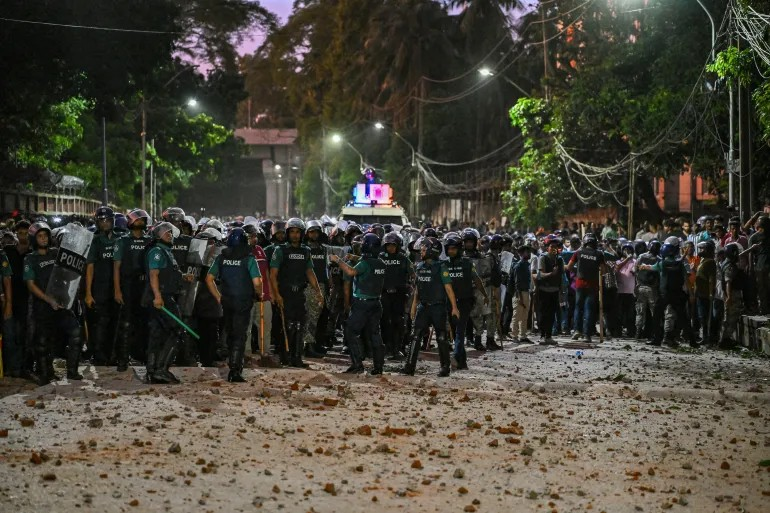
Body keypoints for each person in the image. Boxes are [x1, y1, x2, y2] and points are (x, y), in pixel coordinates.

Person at [23, 222, 84, 384]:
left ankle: (72, 371)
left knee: (76, 333)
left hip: (62, 304)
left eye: (46, 236)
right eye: (40, 236)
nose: (44, 239)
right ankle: (46, 373)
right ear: (34, 239)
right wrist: (48, 299)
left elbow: (69, 273)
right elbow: (30, 284)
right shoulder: (30, 259)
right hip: (43, 306)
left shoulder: (56, 253)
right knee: (43, 342)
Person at [205, 227, 262, 382]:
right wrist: (259, 294)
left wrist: (218, 297)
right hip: (243, 301)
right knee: (239, 335)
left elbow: (209, 278)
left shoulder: (222, 257)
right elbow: (257, 282)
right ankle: (235, 370)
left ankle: (232, 363)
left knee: (230, 333)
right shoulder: (249, 258)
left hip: (227, 300)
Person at [269, 218, 324, 368]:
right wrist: (276, 295)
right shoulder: (280, 250)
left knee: (300, 326)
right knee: (287, 326)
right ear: (288, 233)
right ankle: (284, 356)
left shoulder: (306, 251)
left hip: (300, 294)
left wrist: (318, 291)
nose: (295, 235)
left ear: (302, 234)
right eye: (292, 232)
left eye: (297, 232)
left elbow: (310, 272)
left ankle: (297, 357)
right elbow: (273, 275)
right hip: (285, 293)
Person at [401, 237, 460, 377]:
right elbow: (417, 289)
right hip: (423, 306)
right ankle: (409, 367)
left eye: (423, 250)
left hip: (438, 307)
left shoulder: (441, 267)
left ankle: (445, 368)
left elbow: (448, 288)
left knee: (441, 337)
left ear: (432, 251)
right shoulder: (420, 267)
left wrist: (454, 307)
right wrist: (414, 305)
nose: (420, 252)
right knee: (415, 336)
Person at [332, 233, 387, 374]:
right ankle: (378, 367)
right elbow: (368, 263)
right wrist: (353, 258)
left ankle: (357, 364)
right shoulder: (381, 263)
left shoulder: (364, 264)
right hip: (376, 303)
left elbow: (351, 272)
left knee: (350, 331)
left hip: (362, 304)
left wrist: (338, 260)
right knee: (375, 334)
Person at [144, 222, 184, 384]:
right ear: (158, 235)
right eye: (166, 232)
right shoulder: (157, 252)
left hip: (164, 297)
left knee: (158, 333)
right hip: (162, 298)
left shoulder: (166, 251)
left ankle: (152, 370)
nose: (170, 234)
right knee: (177, 331)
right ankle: (161, 370)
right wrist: (158, 296)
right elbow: (154, 275)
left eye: (170, 232)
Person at [112, 208, 152, 371]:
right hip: (128, 285)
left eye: (142, 220)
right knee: (126, 324)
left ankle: (142, 355)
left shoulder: (150, 241)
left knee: (145, 323)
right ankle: (123, 358)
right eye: (136, 220)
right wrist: (117, 290)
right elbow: (116, 267)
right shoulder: (122, 241)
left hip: (145, 286)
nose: (139, 222)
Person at [639, 241, 697, 347]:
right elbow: (687, 280)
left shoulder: (662, 263)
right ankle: (693, 341)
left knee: (657, 316)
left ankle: (657, 339)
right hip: (678, 294)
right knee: (684, 318)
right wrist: (691, 294)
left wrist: (643, 266)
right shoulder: (680, 264)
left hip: (664, 294)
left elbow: (651, 267)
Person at [444, 234, 487, 369]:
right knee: (456, 330)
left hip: (465, 302)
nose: (451, 251)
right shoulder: (443, 265)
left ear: (459, 249)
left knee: (460, 331)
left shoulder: (467, 264)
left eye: (453, 249)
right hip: (450, 303)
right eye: (448, 249)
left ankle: (456, 356)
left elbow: (477, 280)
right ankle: (463, 363)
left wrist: (484, 294)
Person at [84, 206, 119, 365]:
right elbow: (89, 268)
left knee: (114, 323)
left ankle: (112, 355)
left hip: (116, 289)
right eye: (102, 220)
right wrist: (88, 293)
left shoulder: (119, 238)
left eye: (108, 220)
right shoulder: (95, 241)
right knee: (100, 324)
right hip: (100, 289)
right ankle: (99, 356)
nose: (105, 223)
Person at [379, 232, 413, 360]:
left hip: (399, 295)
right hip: (384, 295)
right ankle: (386, 347)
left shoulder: (404, 258)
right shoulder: (380, 257)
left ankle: (398, 348)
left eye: (393, 245)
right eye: (389, 245)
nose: (391, 248)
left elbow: (413, 273)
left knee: (398, 322)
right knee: (384, 321)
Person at [566, 233, 605, 344]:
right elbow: (603, 270)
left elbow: (569, 267)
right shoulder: (599, 254)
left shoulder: (578, 253)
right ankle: (587, 335)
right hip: (592, 286)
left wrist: (577, 272)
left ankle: (577, 330)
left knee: (578, 307)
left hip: (579, 284)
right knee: (589, 309)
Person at [4, 220, 31, 378]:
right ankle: (10, 367)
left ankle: (22, 367)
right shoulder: (8, 251)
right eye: (20, 233)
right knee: (9, 335)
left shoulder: (33, 253)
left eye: (26, 233)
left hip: (27, 300)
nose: (23, 236)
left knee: (23, 335)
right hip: (10, 299)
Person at [303, 220, 329, 357]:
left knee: (319, 317)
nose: (314, 235)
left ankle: (315, 344)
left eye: (316, 232)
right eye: (311, 232)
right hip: (309, 285)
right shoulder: (305, 248)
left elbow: (325, 267)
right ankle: (308, 346)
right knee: (310, 317)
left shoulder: (323, 248)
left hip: (322, 285)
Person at [535, 236, 563, 345]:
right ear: (548, 248)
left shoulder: (559, 260)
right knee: (543, 314)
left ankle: (549, 336)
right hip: (544, 290)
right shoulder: (543, 258)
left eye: (555, 247)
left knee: (552, 314)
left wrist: (561, 290)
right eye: (551, 246)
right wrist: (551, 274)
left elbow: (560, 276)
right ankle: (542, 335)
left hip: (554, 290)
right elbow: (540, 274)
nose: (554, 248)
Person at [718, 242, 746, 348]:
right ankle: (725, 339)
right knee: (731, 317)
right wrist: (729, 297)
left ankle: (724, 339)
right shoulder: (730, 266)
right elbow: (728, 281)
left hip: (729, 293)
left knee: (728, 316)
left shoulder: (726, 262)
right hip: (732, 294)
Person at [694, 241, 717, 344]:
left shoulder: (710, 262)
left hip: (705, 293)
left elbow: (712, 279)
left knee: (705, 316)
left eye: (703, 249)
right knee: (701, 316)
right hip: (699, 293)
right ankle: (705, 336)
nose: (700, 251)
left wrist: (711, 293)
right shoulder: (703, 260)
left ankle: (708, 338)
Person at [509, 244, 533, 344]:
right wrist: (520, 298)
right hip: (519, 293)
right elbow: (517, 283)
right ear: (521, 254)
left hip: (526, 292)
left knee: (525, 316)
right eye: (527, 252)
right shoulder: (519, 266)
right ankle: (514, 335)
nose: (529, 253)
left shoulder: (527, 264)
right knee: (517, 315)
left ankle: (523, 335)